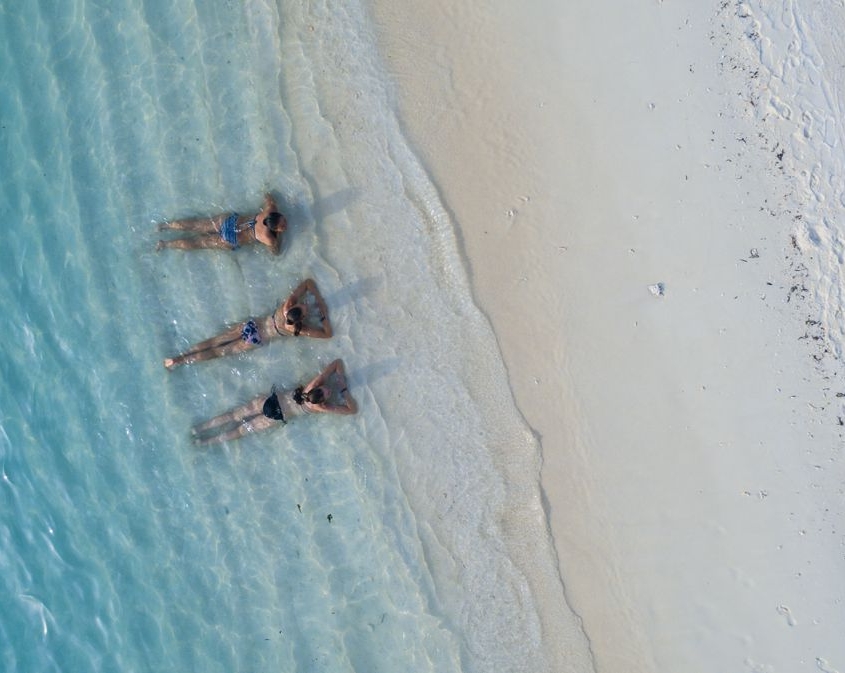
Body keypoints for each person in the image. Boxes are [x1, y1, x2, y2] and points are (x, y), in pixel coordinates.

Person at [163, 279, 332, 370]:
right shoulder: (296, 329)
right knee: (219, 351)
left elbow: (307, 282)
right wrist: (322, 309)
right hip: (257, 338)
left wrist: (311, 293)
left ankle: (179, 357)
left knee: (216, 341)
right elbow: (326, 334)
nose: (305, 306)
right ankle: (182, 362)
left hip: (252, 325)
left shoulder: (286, 306)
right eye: (304, 308)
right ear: (301, 319)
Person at [192, 359, 358, 445]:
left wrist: (334, 377)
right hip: (276, 415)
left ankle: (200, 431)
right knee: (240, 431)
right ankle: (204, 439)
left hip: (270, 401)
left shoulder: (310, 388)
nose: (327, 391)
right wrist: (343, 388)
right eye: (325, 391)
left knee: (235, 416)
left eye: (325, 391)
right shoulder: (321, 407)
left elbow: (335, 364)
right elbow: (351, 409)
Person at [157, 193, 286, 253]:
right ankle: (165, 244)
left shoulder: (270, 209)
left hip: (229, 222)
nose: (285, 226)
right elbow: (276, 252)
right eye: (282, 226)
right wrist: (278, 237)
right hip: (231, 238)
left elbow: (268, 196)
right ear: (274, 228)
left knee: (197, 225)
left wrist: (270, 198)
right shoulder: (269, 238)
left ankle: (165, 226)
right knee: (198, 243)